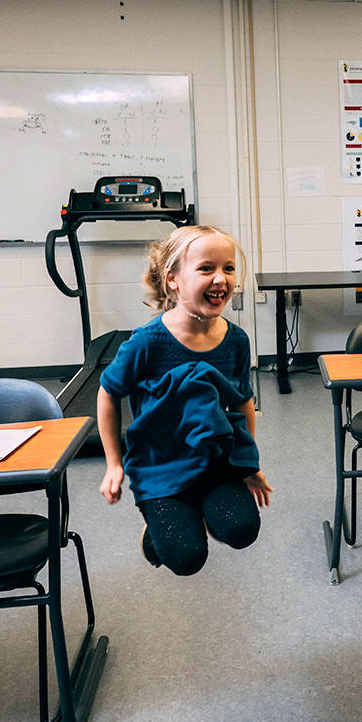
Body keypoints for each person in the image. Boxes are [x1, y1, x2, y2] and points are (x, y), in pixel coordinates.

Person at [97, 225, 273, 576]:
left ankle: (197, 508)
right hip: (159, 462)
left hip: (213, 457)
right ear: (173, 279)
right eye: (206, 268)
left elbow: (242, 402)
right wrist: (114, 464)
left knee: (243, 530)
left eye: (228, 267)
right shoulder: (146, 343)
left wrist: (248, 463)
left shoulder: (236, 341)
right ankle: (157, 530)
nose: (221, 278)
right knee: (186, 559)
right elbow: (108, 394)